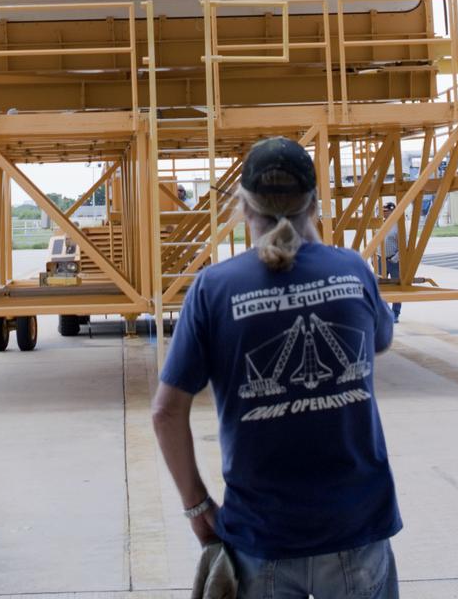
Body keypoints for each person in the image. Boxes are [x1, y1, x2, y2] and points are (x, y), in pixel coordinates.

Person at [152, 136, 400, 599]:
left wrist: (196, 505)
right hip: (355, 529)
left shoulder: (212, 288)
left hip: (259, 537)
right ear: (314, 204)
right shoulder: (353, 270)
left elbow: (166, 413)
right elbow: (380, 341)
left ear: (243, 207)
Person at [382, 202, 402, 323]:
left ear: (392, 211)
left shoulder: (398, 227)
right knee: (381, 288)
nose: (383, 212)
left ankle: (395, 313)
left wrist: (394, 259)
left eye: (385, 211)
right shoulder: (382, 224)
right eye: (383, 210)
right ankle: (384, 313)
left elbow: (403, 247)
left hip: (393, 261)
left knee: (396, 288)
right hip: (381, 260)